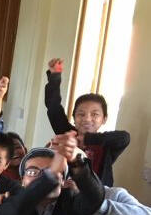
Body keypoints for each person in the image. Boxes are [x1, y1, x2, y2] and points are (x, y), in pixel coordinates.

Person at [44, 58, 130, 186]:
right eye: (81, 114)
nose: (87, 119)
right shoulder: (68, 133)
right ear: (73, 117)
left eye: (95, 114)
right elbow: (53, 107)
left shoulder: (106, 144)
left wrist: (87, 139)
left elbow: (124, 138)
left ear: (104, 119)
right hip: (65, 195)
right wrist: (55, 77)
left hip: (95, 199)